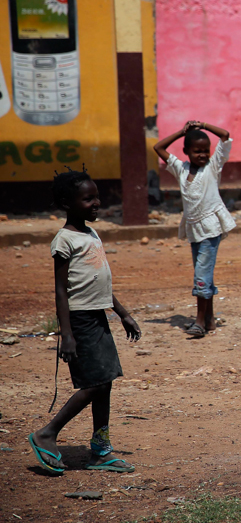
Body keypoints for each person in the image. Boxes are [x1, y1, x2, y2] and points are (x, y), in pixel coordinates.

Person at [28, 168, 141, 474]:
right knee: (94, 384)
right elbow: (61, 290)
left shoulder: (91, 234)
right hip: (79, 320)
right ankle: (46, 433)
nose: (96, 203)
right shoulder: (64, 240)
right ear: (67, 203)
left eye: (96, 197)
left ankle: (101, 451)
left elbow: (100, 282)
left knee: (105, 383)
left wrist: (123, 313)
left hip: (98, 317)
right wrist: (66, 334)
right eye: (88, 199)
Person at [154, 120, 235, 338]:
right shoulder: (181, 169)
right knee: (204, 274)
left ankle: (199, 322)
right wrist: (182, 132)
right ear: (186, 152)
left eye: (206, 151)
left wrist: (204, 126)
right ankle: (209, 320)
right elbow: (158, 147)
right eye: (197, 151)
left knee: (201, 275)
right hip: (194, 230)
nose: (202, 155)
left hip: (211, 228)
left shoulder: (213, 166)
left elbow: (225, 135)